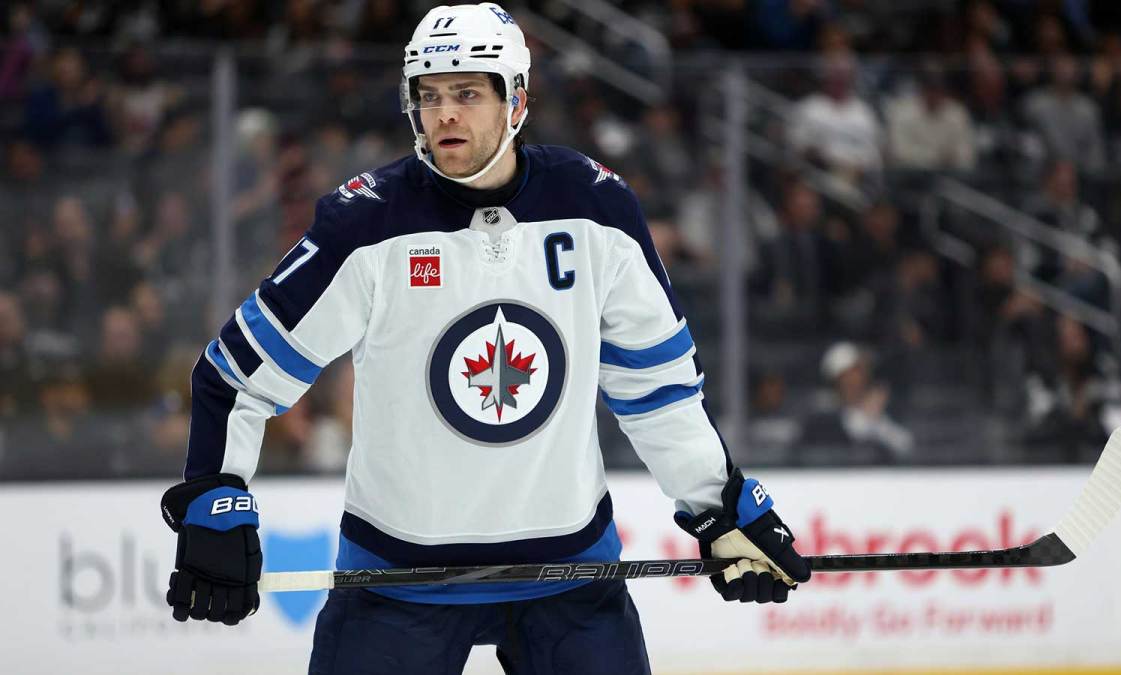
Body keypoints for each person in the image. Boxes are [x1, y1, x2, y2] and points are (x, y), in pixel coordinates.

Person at [157, 4, 811, 674]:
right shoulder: (366, 224)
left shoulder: (595, 209)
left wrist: (722, 508)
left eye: (467, 93)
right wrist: (215, 496)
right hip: (397, 580)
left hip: (567, 576)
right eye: (430, 95)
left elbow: (659, 387)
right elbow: (235, 374)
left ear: (516, 100)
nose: (444, 115)